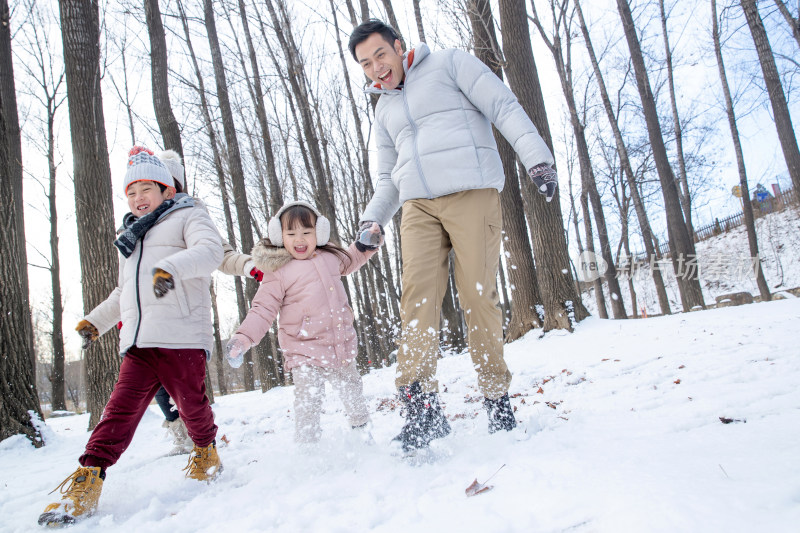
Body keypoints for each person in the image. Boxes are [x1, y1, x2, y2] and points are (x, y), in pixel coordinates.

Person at [348, 20, 559, 451]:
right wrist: (373, 221)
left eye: (380, 56)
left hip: (471, 189)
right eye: (366, 65)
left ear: (399, 46)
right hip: (417, 207)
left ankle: (497, 399)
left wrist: (537, 159)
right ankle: (421, 407)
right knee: (417, 300)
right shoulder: (383, 110)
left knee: (477, 295)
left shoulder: (449, 65)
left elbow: (503, 105)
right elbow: (388, 178)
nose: (376, 69)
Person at [38, 147, 224, 527]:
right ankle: (87, 479)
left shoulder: (189, 215)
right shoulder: (132, 239)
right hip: (139, 344)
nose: (139, 198)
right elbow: (125, 293)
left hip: (182, 337)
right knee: (118, 412)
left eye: (147, 189)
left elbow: (211, 252)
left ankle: (205, 450)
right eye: (131, 191)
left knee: (192, 407)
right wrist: (95, 321)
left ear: (167, 191)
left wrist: (170, 267)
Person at [225, 200, 383, 444]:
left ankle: (363, 437)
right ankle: (307, 450)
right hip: (304, 351)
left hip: (339, 346)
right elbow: (263, 309)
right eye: (291, 233)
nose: (300, 239)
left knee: (354, 395)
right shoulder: (278, 272)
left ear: (318, 232)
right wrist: (243, 338)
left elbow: (351, 259)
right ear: (280, 237)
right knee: (308, 402)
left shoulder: (330, 257)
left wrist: (366, 243)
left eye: (307, 232)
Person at [153, 149, 263, 455]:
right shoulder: (139, 222)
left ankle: (200, 437)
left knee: (186, 383)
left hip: (186, 309)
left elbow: (222, 253)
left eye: (169, 182)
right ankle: (179, 431)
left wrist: (249, 266)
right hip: (151, 315)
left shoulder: (191, 214)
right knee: (157, 383)